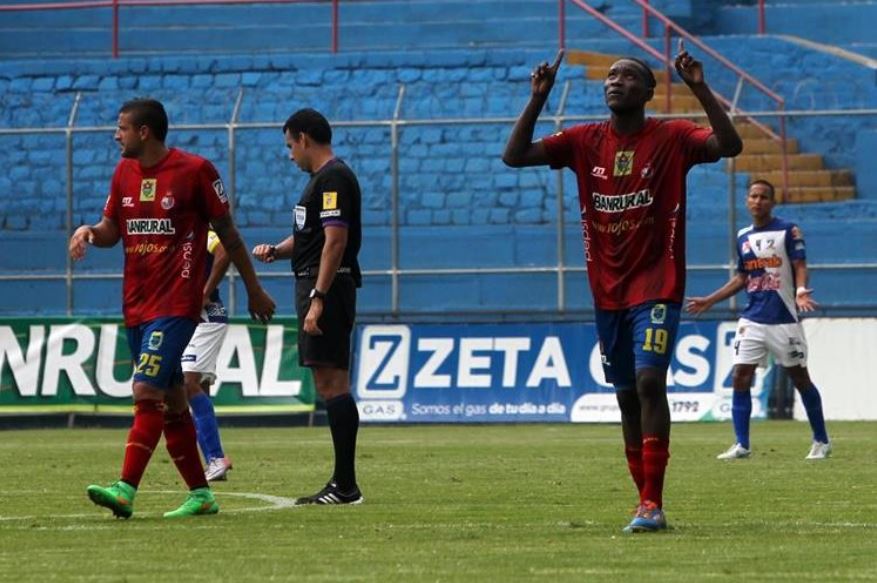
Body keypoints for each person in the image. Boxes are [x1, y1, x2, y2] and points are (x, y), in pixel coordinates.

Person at [502, 41, 743, 533]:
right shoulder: (583, 139)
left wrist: (699, 87)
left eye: (629, 76)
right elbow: (514, 156)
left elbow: (730, 145)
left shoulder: (673, 136)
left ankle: (652, 504)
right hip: (607, 291)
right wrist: (538, 97)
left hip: (657, 284)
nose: (616, 81)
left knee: (651, 381)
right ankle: (643, 500)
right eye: (612, 75)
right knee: (627, 396)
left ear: (650, 92)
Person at [69, 98, 275, 519]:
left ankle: (125, 489)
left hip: (178, 303)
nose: (115, 135)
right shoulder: (123, 172)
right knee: (175, 400)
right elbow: (113, 230)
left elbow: (229, 236)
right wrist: (89, 231)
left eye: (122, 128)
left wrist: (254, 289)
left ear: (144, 132)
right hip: (136, 304)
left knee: (146, 391)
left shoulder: (196, 172)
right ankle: (202, 494)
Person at [252, 108, 363, 505]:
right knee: (327, 383)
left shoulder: (332, 178)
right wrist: (277, 251)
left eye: (289, 146)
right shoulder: (321, 182)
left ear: (304, 139)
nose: (289, 155)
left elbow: (335, 241)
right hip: (318, 283)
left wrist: (318, 297)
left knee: (333, 383)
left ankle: (346, 485)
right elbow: (312, 236)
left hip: (327, 287)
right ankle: (343, 483)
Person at [686, 179, 831, 460]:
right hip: (752, 318)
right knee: (741, 376)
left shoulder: (788, 230)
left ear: (772, 202)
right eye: (753, 196)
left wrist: (800, 291)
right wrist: (710, 300)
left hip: (784, 319)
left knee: (800, 378)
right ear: (746, 201)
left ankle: (821, 440)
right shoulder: (742, 236)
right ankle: (742, 444)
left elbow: (800, 265)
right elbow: (743, 277)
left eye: (764, 197)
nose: (758, 201)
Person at [182, 229, 234, 481]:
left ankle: (215, 458)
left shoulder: (203, 233)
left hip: (207, 317)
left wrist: (203, 293)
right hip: (192, 319)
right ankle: (213, 462)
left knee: (187, 383)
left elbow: (225, 250)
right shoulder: (177, 235)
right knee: (198, 387)